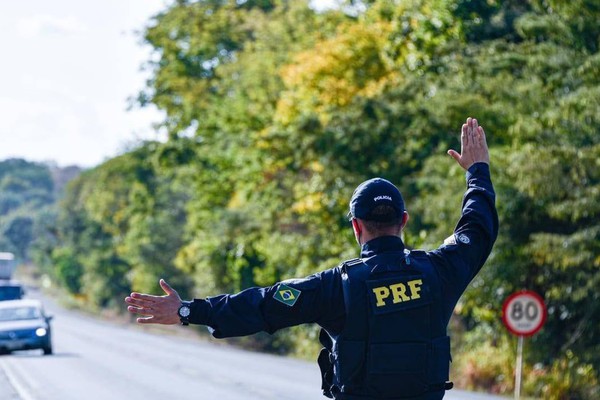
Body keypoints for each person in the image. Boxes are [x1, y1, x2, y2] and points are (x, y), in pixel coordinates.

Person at [125, 117, 498, 400]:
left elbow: (261, 305)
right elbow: (477, 230)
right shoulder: (439, 271)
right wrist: (477, 173)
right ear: (403, 221)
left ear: (356, 227)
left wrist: (188, 310)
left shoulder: (336, 286)